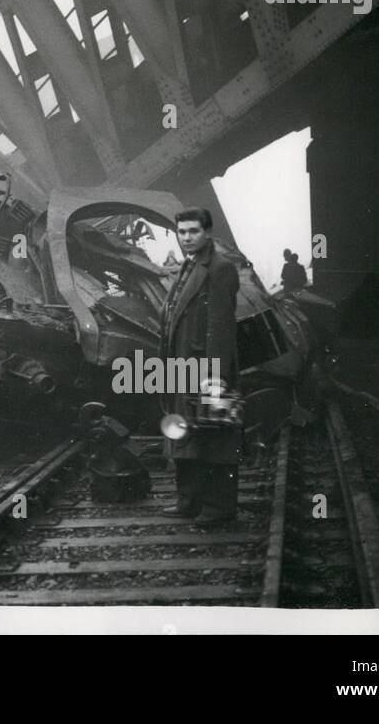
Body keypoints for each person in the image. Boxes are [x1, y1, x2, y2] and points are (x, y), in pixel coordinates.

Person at [158, 207, 241, 524]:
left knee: (216, 435)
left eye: (193, 231)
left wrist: (215, 380)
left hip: (206, 367)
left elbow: (220, 329)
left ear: (207, 233)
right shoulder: (187, 267)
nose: (187, 238)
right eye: (182, 232)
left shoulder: (220, 269)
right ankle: (189, 501)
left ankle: (219, 507)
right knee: (184, 432)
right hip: (183, 366)